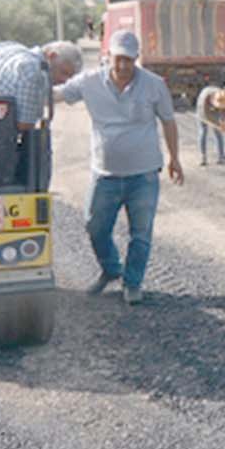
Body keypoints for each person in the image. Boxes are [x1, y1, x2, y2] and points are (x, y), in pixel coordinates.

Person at [57, 30, 183, 305]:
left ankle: (133, 283)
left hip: (144, 174)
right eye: (118, 59)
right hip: (106, 174)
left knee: (141, 232)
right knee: (95, 227)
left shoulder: (153, 85)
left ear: (137, 58)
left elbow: (169, 121)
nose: (124, 66)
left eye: (129, 60)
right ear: (108, 57)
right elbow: (57, 94)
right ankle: (111, 269)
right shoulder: (90, 81)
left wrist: (175, 158)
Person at [196, 87, 225, 166]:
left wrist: (223, 123)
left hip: (213, 110)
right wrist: (217, 125)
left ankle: (221, 156)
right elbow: (206, 116)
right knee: (203, 131)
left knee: (218, 133)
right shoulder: (204, 100)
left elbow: (224, 112)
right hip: (203, 111)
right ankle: (203, 156)